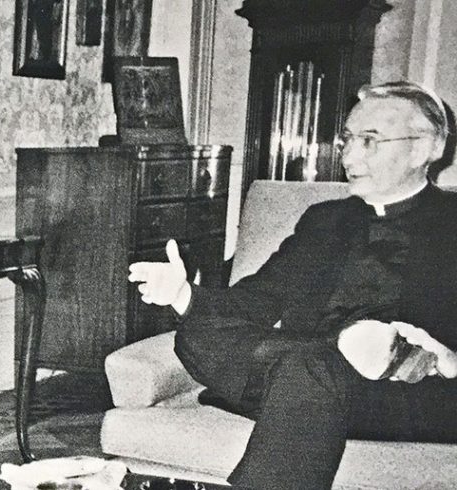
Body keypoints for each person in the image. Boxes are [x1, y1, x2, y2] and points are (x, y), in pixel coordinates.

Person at [128, 81, 457, 490]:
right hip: (314, 366)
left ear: (428, 148)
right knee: (201, 332)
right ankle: (302, 380)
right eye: (347, 140)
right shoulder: (325, 220)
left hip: (410, 394)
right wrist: (181, 294)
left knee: (304, 370)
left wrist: (446, 357)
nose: (350, 156)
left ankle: (293, 385)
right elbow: (259, 298)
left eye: (370, 141)